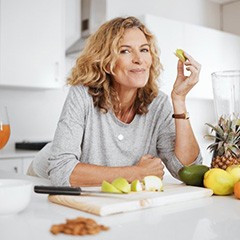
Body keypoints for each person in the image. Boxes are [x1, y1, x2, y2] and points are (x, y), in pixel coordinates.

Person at [30, 16, 202, 186]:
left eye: (144, 49)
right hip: (43, 178)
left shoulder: (158, 104)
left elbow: (188, 170)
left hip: (101, 189)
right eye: (125, 51)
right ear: (106, 63)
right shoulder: (82, 95)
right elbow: (61, 171)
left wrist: (179, 100)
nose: (139, 59)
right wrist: (136, 173)